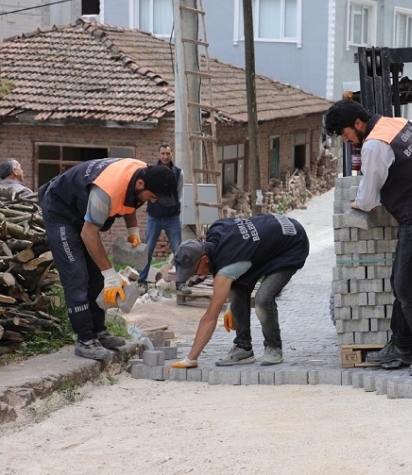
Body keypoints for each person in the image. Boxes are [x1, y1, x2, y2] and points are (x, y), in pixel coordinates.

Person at [322, 99, 412, 377]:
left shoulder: (374, 144)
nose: (347, 141)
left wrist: (359, 205)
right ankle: (401, 346)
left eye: (345, 135)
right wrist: (410, 166)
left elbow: (368, 195)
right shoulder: (398, 124)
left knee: (405, 284)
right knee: (402, 282)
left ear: (357, 123)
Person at [38, 158, 179, 360]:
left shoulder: (143, 173)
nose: (154, 201)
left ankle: (99, 332)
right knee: (76, 275)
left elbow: (132, 201)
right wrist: (111, 275)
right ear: (141, 184)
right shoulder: (107, 192)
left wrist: (133, 231)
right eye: (153, 196)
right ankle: (85, 339)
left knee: (96, 275)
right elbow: (89, 234)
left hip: (82, 212)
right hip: (61, 211)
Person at [168, 213, 310, 369]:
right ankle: (243, 349)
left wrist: (190, 359)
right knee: (236, 290)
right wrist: (233, 306)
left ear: (204, 259)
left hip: (292, 242)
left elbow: (210, 318)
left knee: (263, 300)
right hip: (269, 238)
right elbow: (242, 257)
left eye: (195, 271)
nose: (196, 276)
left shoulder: (228, 265)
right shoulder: (216, 230)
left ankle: (273, 347)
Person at [138, 143, 184, 292]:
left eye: (168, 153)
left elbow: (179, 194)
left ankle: (181, 283)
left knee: (178, 251)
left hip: (172, 218)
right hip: (154, 217)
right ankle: (141, 281)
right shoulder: (151, 172)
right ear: (158, 155)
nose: (165, 156)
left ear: (171, 155)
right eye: (163, 153)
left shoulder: (178, 173)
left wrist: (175, 207)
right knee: (148, 249)